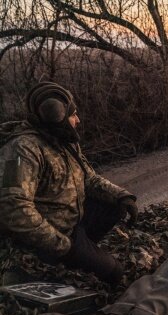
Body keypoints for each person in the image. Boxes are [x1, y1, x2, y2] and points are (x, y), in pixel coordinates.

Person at [0, 82, 139, 285]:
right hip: (46, 239)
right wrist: (63, 245)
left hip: (72, 225)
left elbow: (88, 178)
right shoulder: (21, 150)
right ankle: (63, 260)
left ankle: (79, 256)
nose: (78, 120)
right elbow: (13, 208)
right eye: (73, 115)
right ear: (57, 116)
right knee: (115, 273)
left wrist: (122, 195)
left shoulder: (64, 139)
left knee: (114, 206)